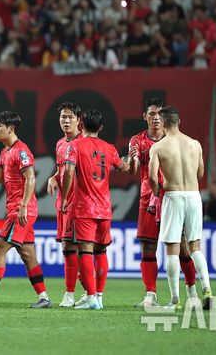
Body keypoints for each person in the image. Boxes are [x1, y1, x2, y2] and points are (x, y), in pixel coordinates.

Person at [0, 111, 52, 308]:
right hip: (19, 210)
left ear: (11, 129)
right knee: (28, 254)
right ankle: (44, 298)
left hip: (21, 211)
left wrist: (23, 206)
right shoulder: (5, 152)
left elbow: (31, 178)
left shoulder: (21, 151)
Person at [128, 98, 198, 308]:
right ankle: (150, 295)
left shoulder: (174, 140)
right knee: (148, 247)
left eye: (159, 114)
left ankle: (192, 292)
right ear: (145, 116)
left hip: (172, 196)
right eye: (151, 114)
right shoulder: (137, 141)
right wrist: (132, 160)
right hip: (148, 198)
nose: (156, 118)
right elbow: (133, 171)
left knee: (182, 247)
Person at [63, 110, 129, 310]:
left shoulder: (74, 146)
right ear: (100, 127)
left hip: (84, 208)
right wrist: (131, 160)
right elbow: (123, 167)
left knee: (85, 252)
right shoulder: (109, 148)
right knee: (101, 252)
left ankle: (91, 298)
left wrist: (65, 197)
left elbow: (68, 172)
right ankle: (99, 296)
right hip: (105, 208)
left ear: (81, 125)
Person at [149, 106, 213, 310]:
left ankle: (175, 300)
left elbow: (152, 177)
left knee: (172, 249)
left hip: (173, 196)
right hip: (194, 196)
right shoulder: (195, 144)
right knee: (195, 247)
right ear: (179, 122)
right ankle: (207, 289)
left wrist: (157, 191)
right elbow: (200, 173)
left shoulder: (159, 147)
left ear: (163, 123)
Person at [45, 102, 83, 307]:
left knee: (79, 248)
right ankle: (78, 293)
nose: (66, 121)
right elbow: (63, 170)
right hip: (64, 202)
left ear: (79, 120)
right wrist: (53, 177)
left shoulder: (83, 143)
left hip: (77, 203)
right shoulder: (60, 143)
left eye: (70, 117)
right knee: (68, 247)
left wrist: (67, 196)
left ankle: (81, 293)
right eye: (63, 117)